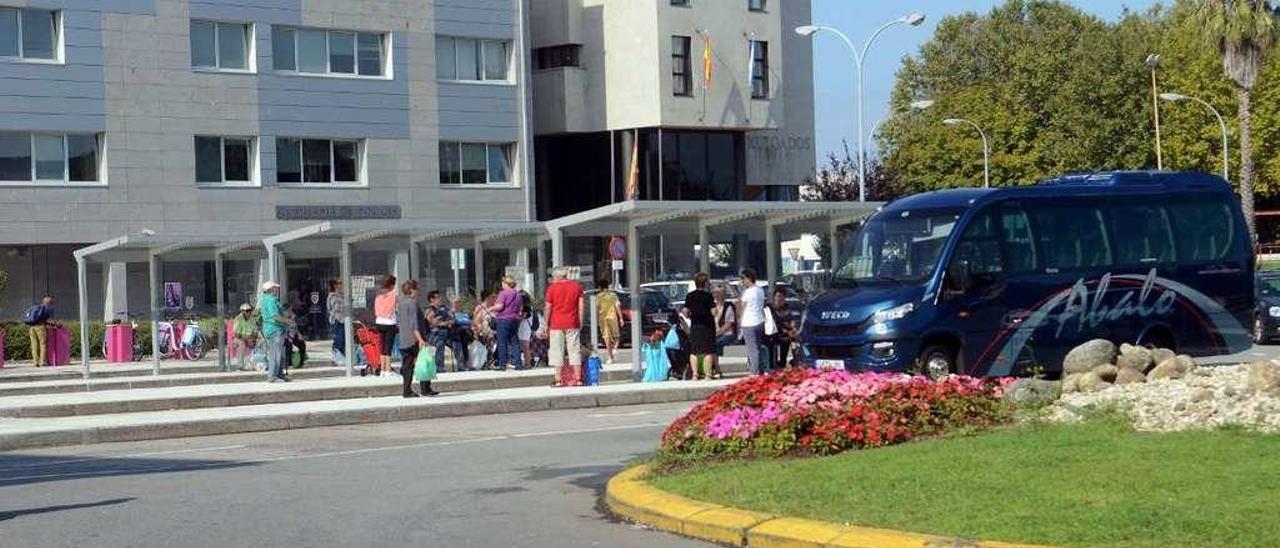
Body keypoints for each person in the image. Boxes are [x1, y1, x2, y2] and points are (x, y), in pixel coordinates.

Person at [543, 267, 585, 386]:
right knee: (574, 349)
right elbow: (581, 306)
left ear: (557, 277)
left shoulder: (552, 288)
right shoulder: (577, 287)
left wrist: (546, 323)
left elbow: (548, 307)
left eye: (553, 277)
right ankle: (578, 379)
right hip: (573, 322)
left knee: (557, 350)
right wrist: (580, 321)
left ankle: (558, 379)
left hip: (556, 324)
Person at [396, 281, 436, 397]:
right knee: (425, 361)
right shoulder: (413, 303)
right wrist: (420, 339)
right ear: (412, 290)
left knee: (408, 366)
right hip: (414, 339)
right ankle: (425, 388)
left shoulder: (401, 303)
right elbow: (414, 323)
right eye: (416, 289)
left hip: (404, 339)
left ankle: (407, 389)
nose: (418, 291)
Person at [259, 281, 294, 382]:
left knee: (279, 353)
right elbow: (275, 316)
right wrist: (287, 321)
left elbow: (281, 311)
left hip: (272, 329)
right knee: (275, 353)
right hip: (275, 329)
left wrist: (287, 315)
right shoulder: (270, 300)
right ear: (271, 289)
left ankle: (279, 375)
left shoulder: (266, 300)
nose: (277, 290)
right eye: (275, 288)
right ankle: (273, 376)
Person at [683, 273, 716, 380]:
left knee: (694, 351)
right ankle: (708, 375)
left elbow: (686, 311)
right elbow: (713, 311)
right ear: (706, 283)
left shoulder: (690, 296)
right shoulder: (708, 296)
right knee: (708, 350)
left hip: (695, 325)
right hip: (707, 325)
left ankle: (695, 375)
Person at [490, 277, 524, 371]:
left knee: (502, 342)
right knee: (515, 342)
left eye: (502, 282)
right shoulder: (518, 294)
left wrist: (491, 308)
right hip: (515, 320)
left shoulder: (503, 293)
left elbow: (500, 306)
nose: (502, 284)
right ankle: (518, 363)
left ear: (506, 283)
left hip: (503, 320)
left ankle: (502, 365)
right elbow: (520, 309)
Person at [738, 269, 767, 375]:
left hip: (748, 322)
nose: (741, 281)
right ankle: (760, 370)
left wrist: (739, 321)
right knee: (758, 347)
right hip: (759, 320)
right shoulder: (760, 290)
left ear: (748, 278)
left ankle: (754, 372)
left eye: (742, 278)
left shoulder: (748, 292)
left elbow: (742, 308)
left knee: (752, 349)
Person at [425, 290, 462, 373]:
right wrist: (445, 323)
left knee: (456, 342)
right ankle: (439, 367)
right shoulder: (430, 310)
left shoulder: (443, 310)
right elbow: (432, 323)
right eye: (438, 297)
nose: (440, 299)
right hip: (432, 334)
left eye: (440, 297)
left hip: (444, 333)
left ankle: (461, 365)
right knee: (440, 342)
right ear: (432, 299)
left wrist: (450, 320)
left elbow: (451, 318)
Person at [372, 275, 398, 376]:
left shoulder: (378, 295)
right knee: (388, 346)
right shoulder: (393, 295)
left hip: (379, 321)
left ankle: (382, 369)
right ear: (392, 285)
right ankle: (388, 369)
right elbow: (396, 308)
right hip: (389, 322)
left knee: (382, 346)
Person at [770, 288, 800, 369]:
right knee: (785, 338)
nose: (780, 298)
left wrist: (793, 327)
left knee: (794, 339)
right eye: (778, 296)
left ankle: (795, 361)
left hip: (787, 332)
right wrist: (787, 331)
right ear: (774, 297)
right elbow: (775, 324)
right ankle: (777, 363)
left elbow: (792, 319)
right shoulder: (771, 309)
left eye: (782, 296)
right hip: (775, 332)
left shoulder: (787, 308)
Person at [595, 278, 623, 365]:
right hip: (613, 317)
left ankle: (610, 357)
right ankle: (615, 348)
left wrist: (596, 319)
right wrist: (621, 318)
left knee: (606, 338)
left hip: (603, 319)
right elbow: (617, 306)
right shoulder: (613, 295)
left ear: (600, 287)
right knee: (616, 336)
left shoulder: (598, 297)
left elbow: (597, 309)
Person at [711, 285, 736, 379]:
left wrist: (717, 333)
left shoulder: (728, 306)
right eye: (715, 293)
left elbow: (728, 324)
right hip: (713, 333)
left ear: (724, 294)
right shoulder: (711, 306)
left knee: (714, 343)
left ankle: (716, 369)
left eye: (719, 293)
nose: (716, 295)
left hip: (727, 334)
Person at [24, 296, 55, 367]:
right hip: (40, 327)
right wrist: (55, 324)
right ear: (49, 303)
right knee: (42, 344)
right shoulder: (46, 308)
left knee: (34, 345)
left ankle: (35, 362)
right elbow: (48, 320)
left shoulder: (35, 307)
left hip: (31, 327)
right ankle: (42, 362)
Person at [472, 290, 497, 369]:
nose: (495, 298)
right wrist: (482, 330)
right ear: (487, 298)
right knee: (490, 338)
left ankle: (496, 360)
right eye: (492, 297)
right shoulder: (480, 308)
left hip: (495, 330)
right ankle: (488, 361)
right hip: (483, 331)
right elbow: (476, 322)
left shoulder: (494, 307)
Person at [231, 304, 259, 371]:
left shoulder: (252, 319)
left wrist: (253, 339)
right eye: (246, 311)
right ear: (242, 311)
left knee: (261, 342)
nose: (248, 312)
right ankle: (240, 365)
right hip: (238, 339)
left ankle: (256, 364)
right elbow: (236, 334)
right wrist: (246, 339)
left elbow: (255, 332)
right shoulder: (238, 319)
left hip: (249, 338)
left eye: (249, 310)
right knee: (241, 343)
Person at [326, 279, 347, 361]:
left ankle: (339, 356)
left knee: (341, 339)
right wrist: (345, 305)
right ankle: (337, 356)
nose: (341, 285)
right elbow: (337, 308)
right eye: (339, 283)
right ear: (335, 286)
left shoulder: (338, 295)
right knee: (339, 339)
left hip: (341, 320)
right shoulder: (333, 296)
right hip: (338, 320)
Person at [518, 289, 537, 367]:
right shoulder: (529, 307)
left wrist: (516, 320)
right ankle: (527, 363)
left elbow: (523, 317)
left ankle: (527, 363)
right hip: (526, 328)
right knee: (525, 346)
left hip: (524, 328)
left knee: (525, 346)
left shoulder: (526, 307)